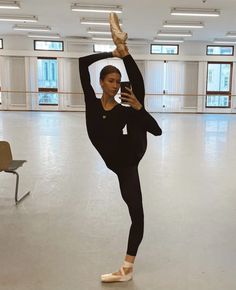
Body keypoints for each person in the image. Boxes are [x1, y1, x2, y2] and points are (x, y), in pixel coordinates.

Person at [79, 12, 162, 283]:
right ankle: (124, 49)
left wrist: (138, 108)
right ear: (101, 82)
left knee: (137, 216)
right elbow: (82, 63)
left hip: (130, 157)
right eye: (111, 81)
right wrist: (112, 53)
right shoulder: (92, 103)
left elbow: (157, 131)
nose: (115, 86)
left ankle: (127, 267)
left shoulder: (123, 111)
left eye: (117, 81)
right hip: (115, 161)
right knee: (136, 102)